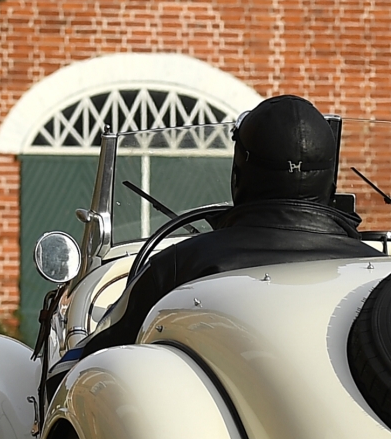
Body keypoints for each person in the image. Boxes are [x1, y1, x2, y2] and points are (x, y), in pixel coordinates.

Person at [94, 95, 375, 347]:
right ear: (330, 181)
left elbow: (95, 358)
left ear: (239, 174)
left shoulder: (177, 267)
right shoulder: (376, 272)